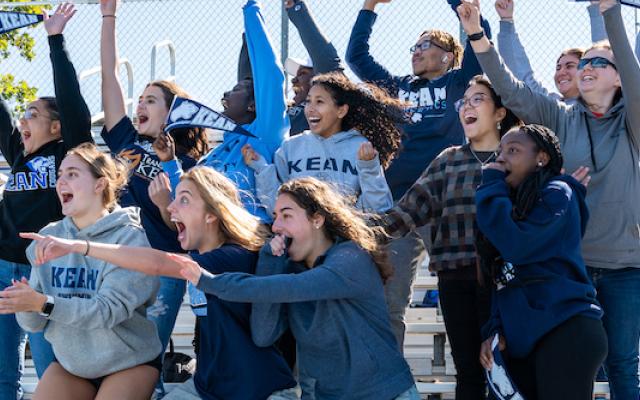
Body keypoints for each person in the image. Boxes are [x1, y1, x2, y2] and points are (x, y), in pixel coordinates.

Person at [457, 0, 640, 399]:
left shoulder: (633, 123)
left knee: (623, 365)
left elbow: (632, 68)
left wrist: (611, 13)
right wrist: (476, 33)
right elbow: (511, 86)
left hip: (625, 265)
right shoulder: (559, 116)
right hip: (567, 269)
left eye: (598, 63)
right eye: (584, 62)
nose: (587, 68)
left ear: (617, 77)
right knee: (570, 367)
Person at [23, 165, 298, 400]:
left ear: (212, 214)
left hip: (261, 391)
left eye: (184, 200)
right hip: (209, 388)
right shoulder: (202, 256)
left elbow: (156, 263)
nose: (171, 207)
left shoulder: (230, 258)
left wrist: (79, 246)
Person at [166, 177, 419, 400]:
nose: (276, 227)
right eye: (275, 217)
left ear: (317, 219)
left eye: (287, 215)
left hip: (385, 394)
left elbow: (293, 287)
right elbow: (263, 334)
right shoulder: (288, 268)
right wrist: (269, 262)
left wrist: (209, 281)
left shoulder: (350, 259)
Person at [345, 0, 492, 346]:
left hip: (448, 203)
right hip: (400, 206)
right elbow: (356, 58)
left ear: (448, 55)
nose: (416, 51)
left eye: (425, 45)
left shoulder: (461, 82)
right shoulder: (397, 88)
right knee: (390, 302)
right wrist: (369, 6)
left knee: (467, 293)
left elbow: (479, 31)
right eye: (413, 46)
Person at [98, 0, 209, 396]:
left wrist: (166, 206)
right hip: (116, 263)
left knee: (145, 360)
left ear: (172, 112)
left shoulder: (192, 166)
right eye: (139, 98)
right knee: (111, 357)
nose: (140, 105)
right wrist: (109, 17)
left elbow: (186, 231)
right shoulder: (126, 141)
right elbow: (109, 76)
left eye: (151, 100)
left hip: (162, 270)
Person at [382, 75, 521, 399]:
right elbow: (407, 212)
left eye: (478, 99)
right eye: (464, 101)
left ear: (500, 113)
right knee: (469, 371)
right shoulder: (448, 160)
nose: (467, 107)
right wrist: (353, 228)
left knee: (506, 368)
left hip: (506, 284)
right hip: (455, 280)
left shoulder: (516, 159)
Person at [2, 143, 163, 400]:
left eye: (72, 174)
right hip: (73, 365)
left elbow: (107, 312)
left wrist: (43, 303)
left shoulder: (129, 238)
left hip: (129, 361)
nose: (61, 182)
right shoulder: (48, 236)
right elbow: (34, 323)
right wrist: (24, 303)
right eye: (59, 175)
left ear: (100, 185)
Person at [0, 3, 91, 400]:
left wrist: (56, 40)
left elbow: (71, 102)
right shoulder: (19, 153)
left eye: (33, 114)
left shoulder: (66, 152)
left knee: (52, 370)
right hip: (4, 268)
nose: (24, 119)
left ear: (56, 127)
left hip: (46, 271)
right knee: (2, 373)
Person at [476, 124, 607, 399]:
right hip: (524, 336)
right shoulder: (512, 205)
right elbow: (504, 278)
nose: (501, 158)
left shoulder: (559, 193)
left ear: (542, 158)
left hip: (566, 328)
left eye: (513, 150)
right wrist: (495, 330)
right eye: (500, 151)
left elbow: (517, 246)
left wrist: (491, 187)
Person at [162, 0, 289, 224]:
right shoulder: (213, 155)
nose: (226, 94)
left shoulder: (264, 134)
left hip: (250, 237)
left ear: (253, 105)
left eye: (236, 89)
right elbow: (183, 198)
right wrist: (169, 161)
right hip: (212, 236)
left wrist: (252, 15)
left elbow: (270, 76)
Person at [242, 71, 404, 215]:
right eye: (308, 101)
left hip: (344, 241)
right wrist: (262, 169)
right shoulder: (290, 147)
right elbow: (275, 207)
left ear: (341, 110)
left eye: (319, 102)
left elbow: (377, 208)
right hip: (297, 240)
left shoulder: (360, 147)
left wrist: (369, 169)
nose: (310, 109)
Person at [496, 0, 640, 104]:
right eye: (558, 68)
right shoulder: (554, 107)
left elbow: (605, 57)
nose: (561, 72)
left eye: (570, 66)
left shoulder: (609, 103)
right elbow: (523, 77)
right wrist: (507, 21)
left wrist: (597, 9)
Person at [283, 0, 344, 135]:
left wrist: (299, 13)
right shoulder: (284, 111)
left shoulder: (332, 108)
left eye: (303, 73)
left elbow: (327, 61)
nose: (293, 80)